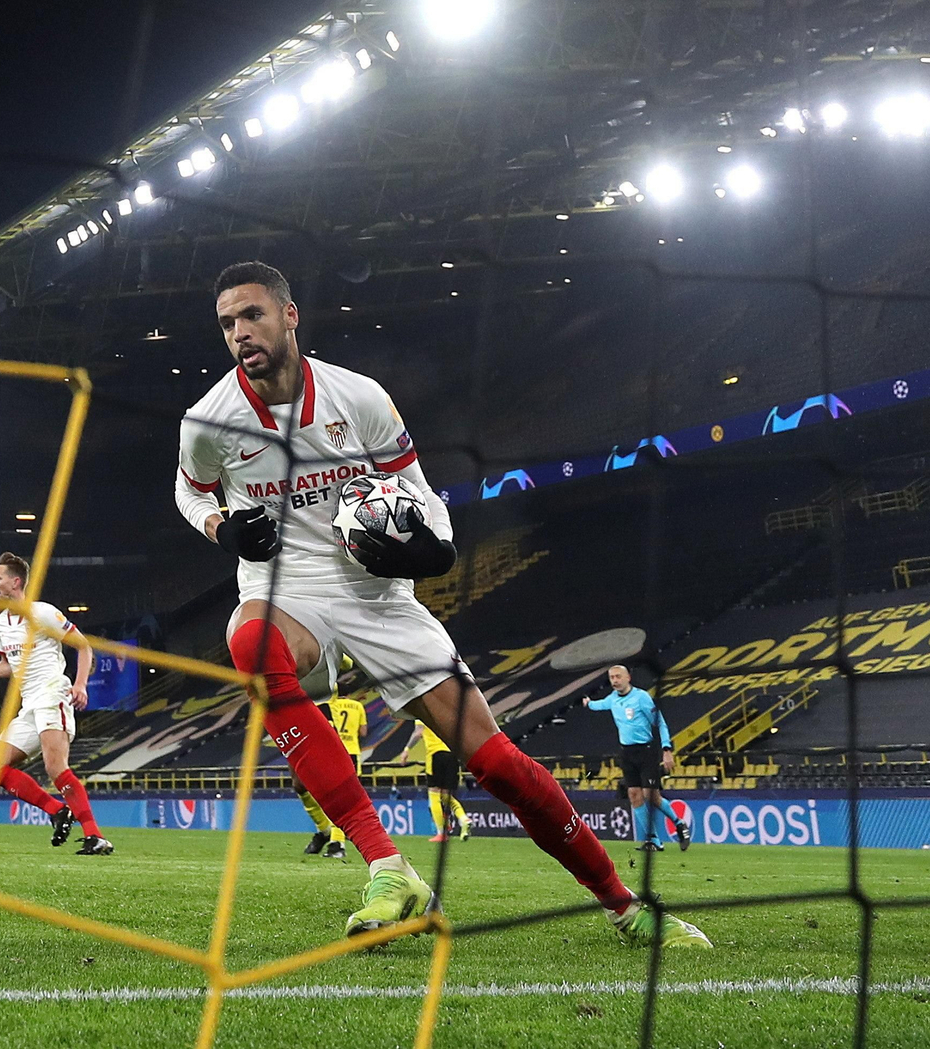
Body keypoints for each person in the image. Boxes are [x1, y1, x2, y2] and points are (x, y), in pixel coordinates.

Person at [174, 261, 708, 946]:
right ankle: (388, 867)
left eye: (251, 315)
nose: (239, 332)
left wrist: (435, 551)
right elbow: (192, 491)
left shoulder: (359, 396)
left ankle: (623, 905)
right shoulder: (209, 420)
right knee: (250, 645)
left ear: (289, 315)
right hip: (285, 588)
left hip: (376, 595)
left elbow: (417, 491)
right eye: (227, 323)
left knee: (495, 762)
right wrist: (222, 527)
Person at [0, 552, 113, 855]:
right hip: (29, 704)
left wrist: (80, 685)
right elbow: (12, 664)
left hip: (53, 693)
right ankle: (56, 810)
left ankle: (95, 836)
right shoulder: (1, 624)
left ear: (16, 582)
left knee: (56, 768)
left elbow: (83, 646)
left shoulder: (42, 613)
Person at [583, 666, 690, 852]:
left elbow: (660, 722)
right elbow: (598, 705)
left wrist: (667, 749)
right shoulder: (613, 699)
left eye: (618, 676)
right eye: (611, 677)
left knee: (651, 796)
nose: (615, 680)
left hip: (646, 751)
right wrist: (588, 703)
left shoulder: (641, 698)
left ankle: (679, 823)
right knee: (634, 795)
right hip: (626, 753)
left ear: (628, 678)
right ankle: (654, 840)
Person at [294, 676, 367, 859]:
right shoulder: (356, 706)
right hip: (351, 752)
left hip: (330, 747)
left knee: (327, 794)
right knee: (342, 796)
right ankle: (336, 842)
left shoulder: (330, 704)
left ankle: (336, 841)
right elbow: (363, 732)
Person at [396, 720, 471, 843]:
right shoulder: (444, 711)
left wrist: (406, 750)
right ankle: (464, 819)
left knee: (434, 794)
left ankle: (441, 833)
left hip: (435, 754)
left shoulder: (424, 711)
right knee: (446, 796)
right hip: (452, 755)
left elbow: (418, 732)